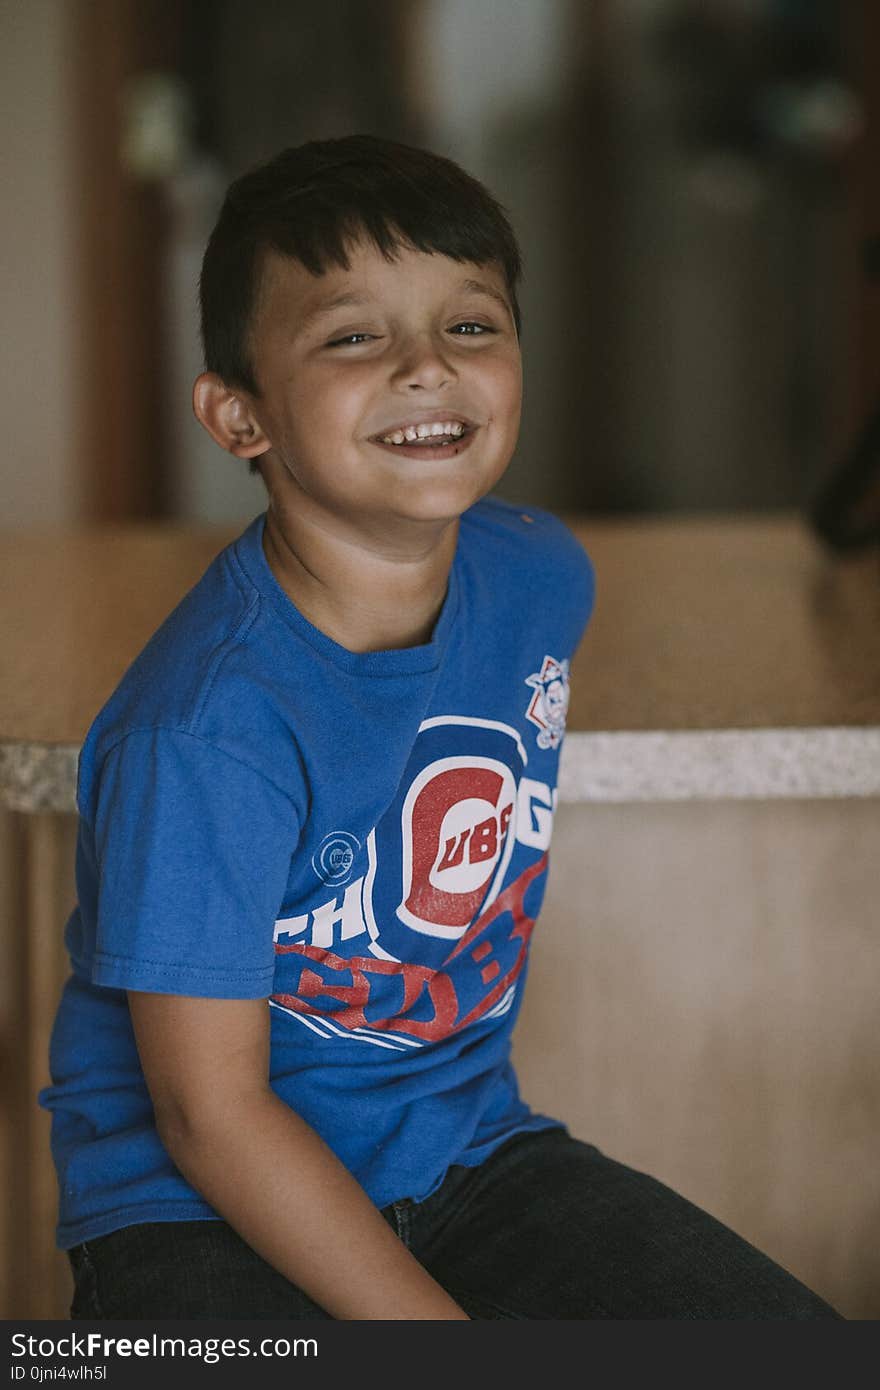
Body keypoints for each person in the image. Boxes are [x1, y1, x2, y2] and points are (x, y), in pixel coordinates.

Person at [39, 135, 840, 1320]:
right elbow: (209, 1115)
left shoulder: (538, 580)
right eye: (352, 335)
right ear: (238, 415)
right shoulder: (207, 730)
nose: (426, 367)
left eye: (470, 326)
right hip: (190, 1206)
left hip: (465, 1153)